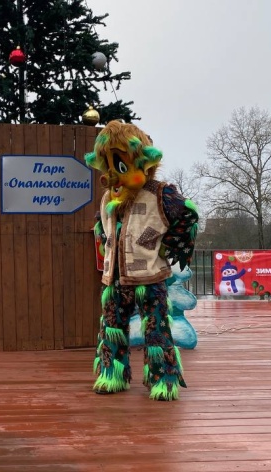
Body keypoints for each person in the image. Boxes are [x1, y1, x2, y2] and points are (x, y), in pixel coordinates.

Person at [84, 121, 198, 400]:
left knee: (156, 328)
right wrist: (105, 241)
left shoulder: (161, 193)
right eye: (108, 167)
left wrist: (163, 244)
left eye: (120, 166)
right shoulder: (108, 197)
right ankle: (111, 373)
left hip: (149, 276)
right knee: (111, 327)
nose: (113, 176)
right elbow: (102, 225)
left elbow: (188, 215)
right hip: (114, 278)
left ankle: (164, 378)